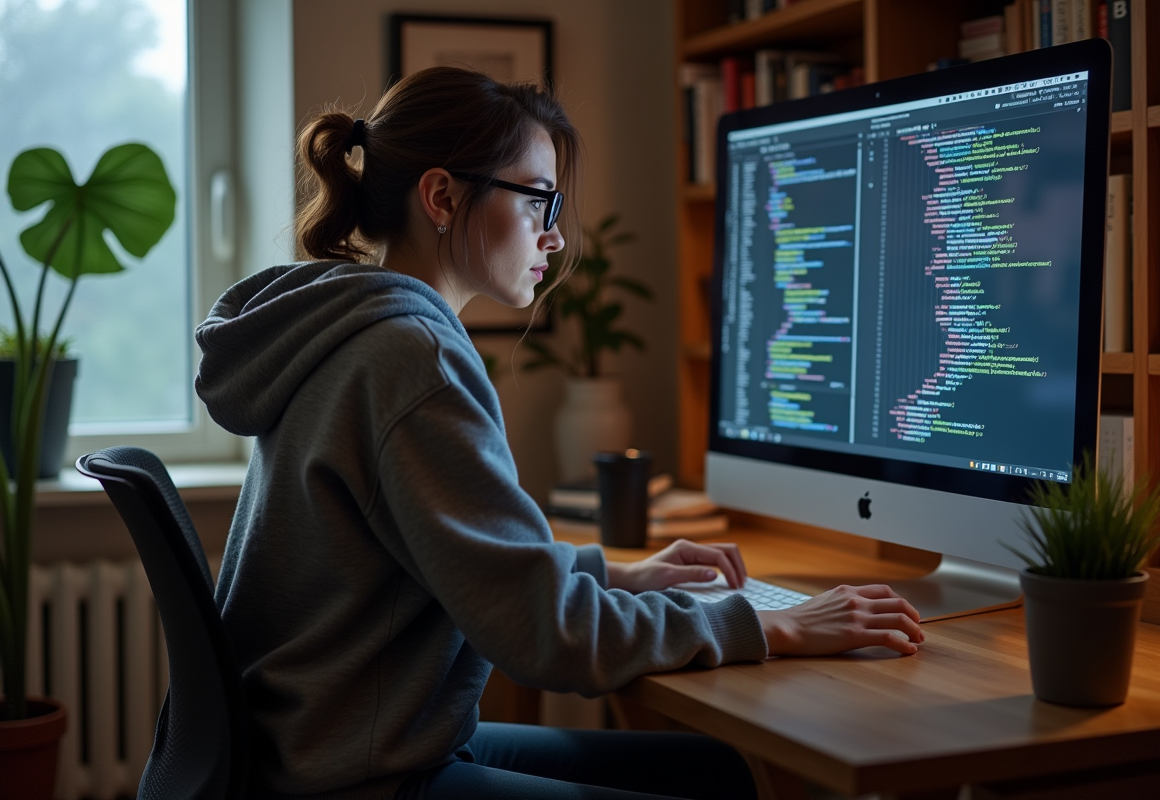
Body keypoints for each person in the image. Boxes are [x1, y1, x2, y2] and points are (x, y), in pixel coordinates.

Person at [195, 67, 923, 800]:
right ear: (442, 197)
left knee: (714, 771)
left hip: (327, 744)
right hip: (355, 775)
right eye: (538, 199)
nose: (553, 234)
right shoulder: (411, 359)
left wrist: (612, 575)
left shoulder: (353, 330)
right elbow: (545, 636)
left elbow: (466, 562)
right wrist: (775, 627)